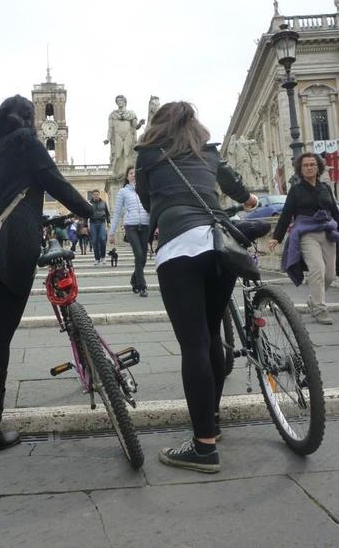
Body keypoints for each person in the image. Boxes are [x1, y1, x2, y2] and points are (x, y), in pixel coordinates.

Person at [0, 95, 93, 456]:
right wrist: (90, 211)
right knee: (1, 332)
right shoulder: (28, 144)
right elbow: (56, 183)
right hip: (14, 249)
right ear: (30, 118)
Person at [135, 101, 258, 473]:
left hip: (180, 247)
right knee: (210, 336)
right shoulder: (208, 152)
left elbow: (146, 199)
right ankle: (212, 423)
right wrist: (250, 200)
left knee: (195, 344)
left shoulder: (147, 155)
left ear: (159, 124)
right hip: (221, 243)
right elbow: (235, 185)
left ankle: (203, 446)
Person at [268, 152, 339, 325]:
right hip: (307, 233)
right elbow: (286, 215)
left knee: (329, 274)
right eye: (305, 165)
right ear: (300, 169)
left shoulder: (325, 188)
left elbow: (334, 212)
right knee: (317, 270)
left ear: (318, 167)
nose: (309, 167)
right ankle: (320, 310)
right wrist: (276, 237)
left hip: (328, 232)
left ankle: (313, 300)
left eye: (312, 164)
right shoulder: (296, 190)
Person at [109, 166, 150, 297]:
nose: (133, 175)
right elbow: (117, 212)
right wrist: (112, 232)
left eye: (136, 173)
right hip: (131, 226)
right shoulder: (123, 192)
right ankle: (142, 286)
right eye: (131, 173)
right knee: (138, 255)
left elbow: (151, 208)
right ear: (127, 176)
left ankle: (134, 279)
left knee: (143, 258)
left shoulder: (145, 190)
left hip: (145, 225)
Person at [104, 95, 145, 180]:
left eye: (121, 100)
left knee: (127, 155)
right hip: (117, 135)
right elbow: (110, 128)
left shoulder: (131, 114)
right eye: (118, 101)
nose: (119, 102)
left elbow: (135, 126)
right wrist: (108, 139)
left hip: (128, 135)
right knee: (118, 155)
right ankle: (116, 173)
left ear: (125, 102)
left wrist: (140, 124)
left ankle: (127, 174)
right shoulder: (113, 115)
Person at [89, 189, 111, 266]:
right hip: (93, 223)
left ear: (99, 195)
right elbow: (85, 214)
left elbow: (107, 214)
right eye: (94, 194)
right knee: (94, 241)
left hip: (102, 222)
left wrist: (108, 222)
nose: (96, 195)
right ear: (92, 195)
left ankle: (103, 257)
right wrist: (85, 225)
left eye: (97, 194)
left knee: (102, 239)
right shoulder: (89, 203)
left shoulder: (103, 203)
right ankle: (97, 259)